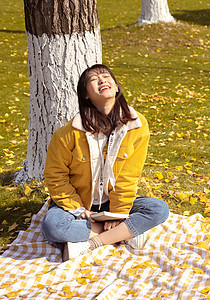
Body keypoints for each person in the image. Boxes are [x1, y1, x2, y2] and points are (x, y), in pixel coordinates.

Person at [41, 64, 169, 261]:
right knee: (53, 227)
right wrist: (80, 211)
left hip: (114, 202)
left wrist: (116, 214)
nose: (102, 80)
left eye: (106, 76)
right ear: (85, 95)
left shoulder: (137, 126)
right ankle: (125, 234)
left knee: (159, 209)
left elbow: (129, 176)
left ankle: (93, 242)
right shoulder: (68, 133)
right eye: (93, 79)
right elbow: (55, 176)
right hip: (80, 205)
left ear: (116, 87)